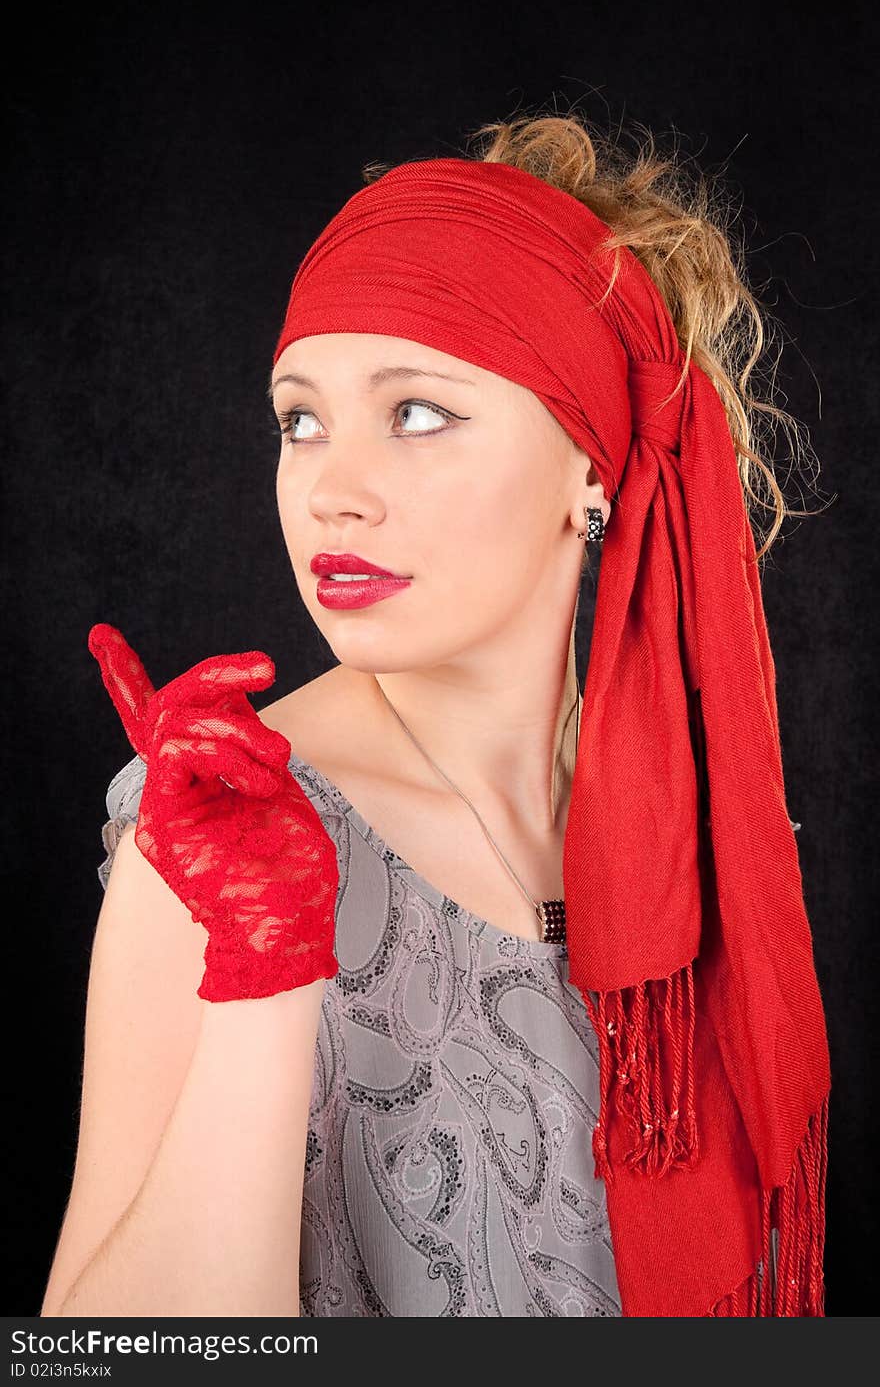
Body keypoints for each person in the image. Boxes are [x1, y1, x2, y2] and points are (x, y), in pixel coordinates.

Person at [41, 112, 830, 1318]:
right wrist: (264, 967)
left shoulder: (692, 818)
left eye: (415, 411)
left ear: (589, 464)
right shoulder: (219, 826)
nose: (330, 489)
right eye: (299, 419)